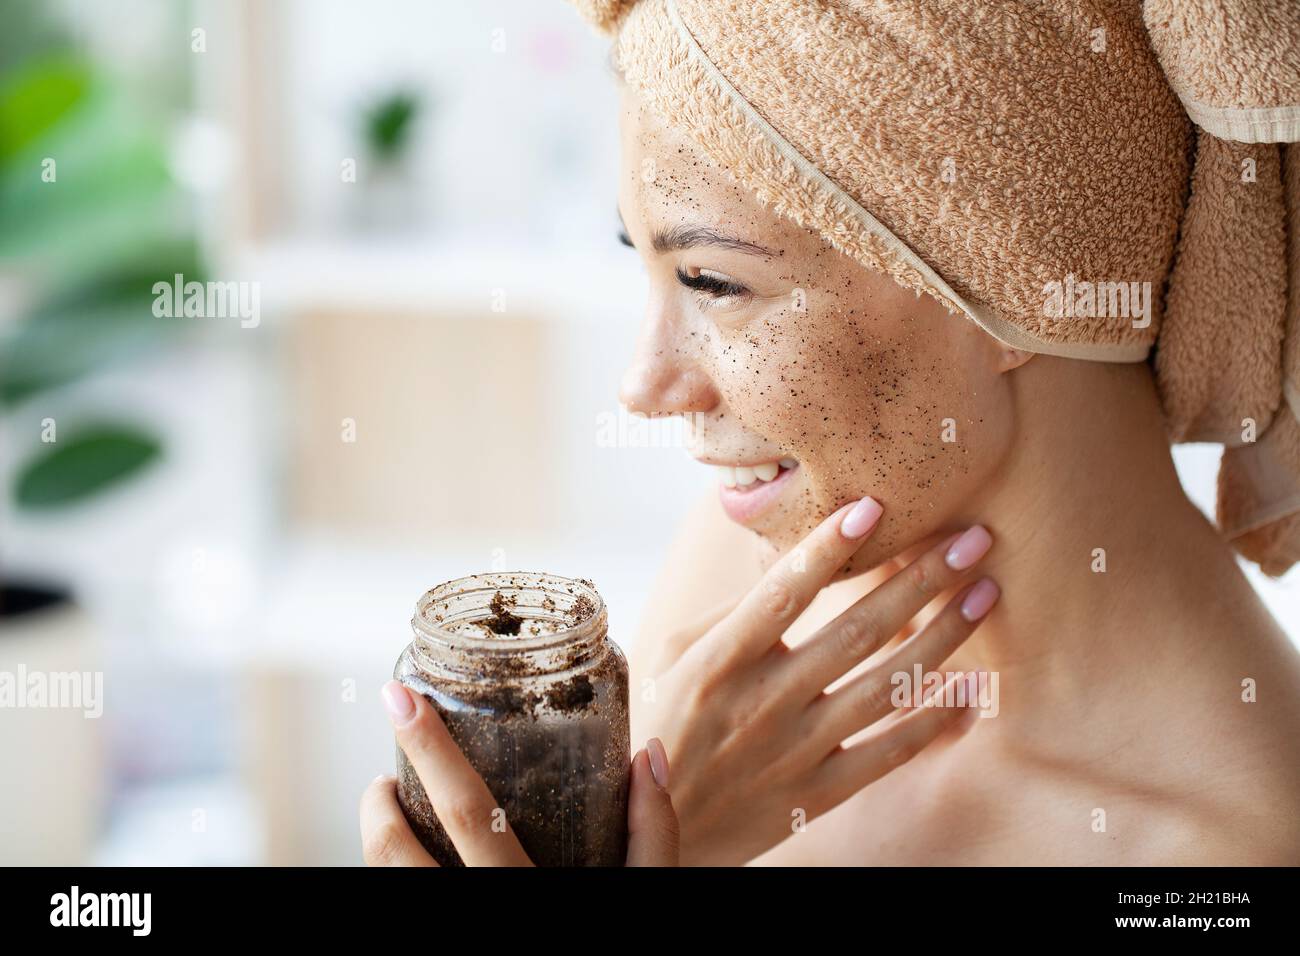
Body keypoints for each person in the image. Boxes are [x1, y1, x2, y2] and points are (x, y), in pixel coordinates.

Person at [360, 0, 1300, 865]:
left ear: (1003, 290)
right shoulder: (767, 589)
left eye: (712, 284)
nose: (643, 388)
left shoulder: (1221, 860)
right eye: (641, 263)